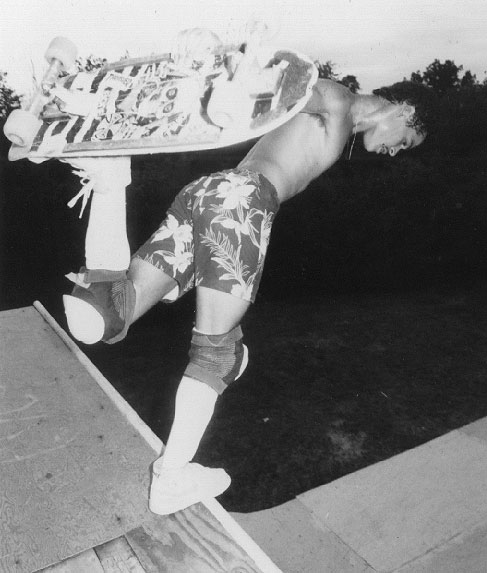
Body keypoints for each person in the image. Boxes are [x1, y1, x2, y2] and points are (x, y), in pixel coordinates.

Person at [62, 67, 436, 515]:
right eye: (405, 142)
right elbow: (276, 88)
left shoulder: (342, 118)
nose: (396, 152)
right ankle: (171, 478)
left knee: (108, 312)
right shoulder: (338, 100)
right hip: (242, 202)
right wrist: (233, 82)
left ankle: (108, 178)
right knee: (218, 355)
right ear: (405, 110)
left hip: (205, 193)